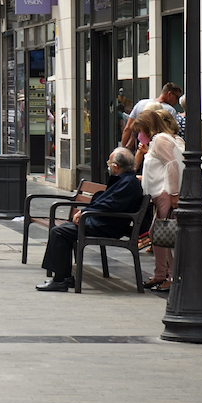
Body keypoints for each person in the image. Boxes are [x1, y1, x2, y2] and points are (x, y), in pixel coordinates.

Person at [36, 148, 144, 291]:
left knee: (59, 232)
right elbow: (106, 203)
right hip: (103, 221)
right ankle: (64, 278)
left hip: (108, 226)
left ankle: (60, 280)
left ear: (115, 166)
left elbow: (109, 205)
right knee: (61, 231)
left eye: (109, 163)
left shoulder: (128, 183)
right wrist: (84, 213)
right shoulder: (125, 180)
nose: (108, 166)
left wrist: (84, 213)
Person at [133, 110, 185, 292]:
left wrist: (174, 194)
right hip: (160, 194)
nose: (139, 134)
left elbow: (172, 165)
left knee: (163, 235)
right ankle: (161, 273)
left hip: (164, 193)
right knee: (157, 234)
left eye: (140, 129)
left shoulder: (161, 140)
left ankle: (170, 276)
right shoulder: (158, 140)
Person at [121, 82, 182, 150]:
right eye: (177, 97)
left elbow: (128, 128)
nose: (177, 101)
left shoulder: (141, 103)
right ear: (169, 94)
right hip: (159, 148)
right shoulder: (170, 110)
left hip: (140, 146)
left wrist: (123, 149)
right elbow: (171, 131)